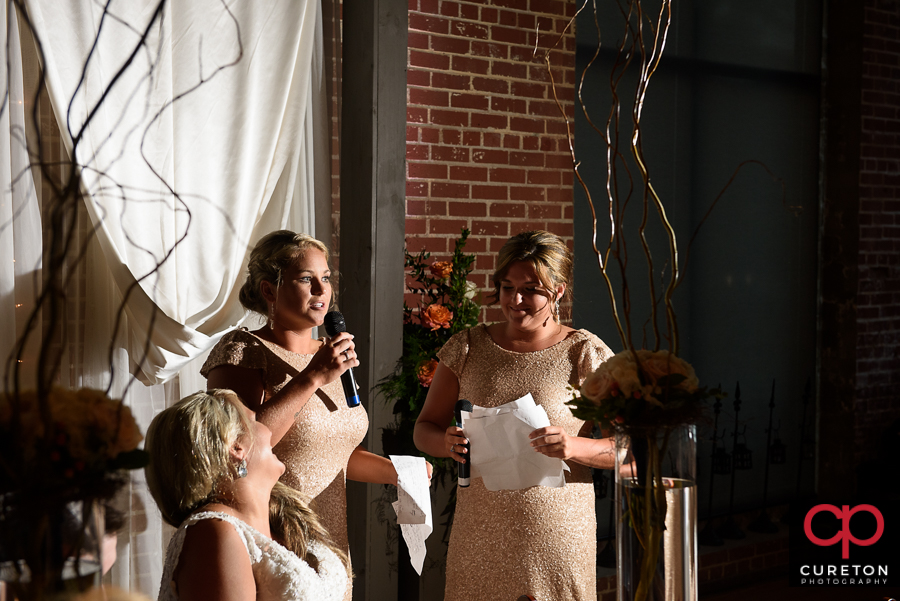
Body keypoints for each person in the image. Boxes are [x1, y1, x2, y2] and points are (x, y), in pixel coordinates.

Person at [201, 231, 420, 601]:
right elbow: (239, 447)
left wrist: (398, 471)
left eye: (326, 278)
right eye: (306, 279)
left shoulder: (330, 354)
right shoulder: (243, 350)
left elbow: (329, 452)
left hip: (330, 536)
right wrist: (313, 377)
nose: (322, 290)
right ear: (270, 290)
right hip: (271, 529)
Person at [414, 230, 617, 601]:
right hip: (479, 536)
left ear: (557, 290)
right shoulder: (467, 346)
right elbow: (423, 429)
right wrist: (445, 443)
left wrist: (572, 446)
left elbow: (630, 453)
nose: (516, 300)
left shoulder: (585, 353)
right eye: (507, 287)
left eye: (531, 289)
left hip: (557, 538)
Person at [145, 389, 350, 601]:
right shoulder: (211, 533)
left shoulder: (280, 521)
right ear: (235, 447)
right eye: (255, 420)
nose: (269, 431)